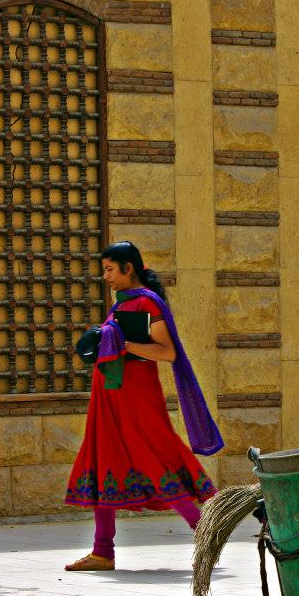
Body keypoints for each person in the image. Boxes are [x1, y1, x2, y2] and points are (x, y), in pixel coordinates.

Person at [64, 241, 223, 571]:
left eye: (110, 270)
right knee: (102, 458)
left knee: (153, 459)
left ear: (128, 268)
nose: (105, 276)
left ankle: (205, 530)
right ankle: (102, 551)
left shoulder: (147, 304)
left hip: (137, 397)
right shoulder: (122, 303)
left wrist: (124, 343)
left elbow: (167, 352)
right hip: (110, 398)